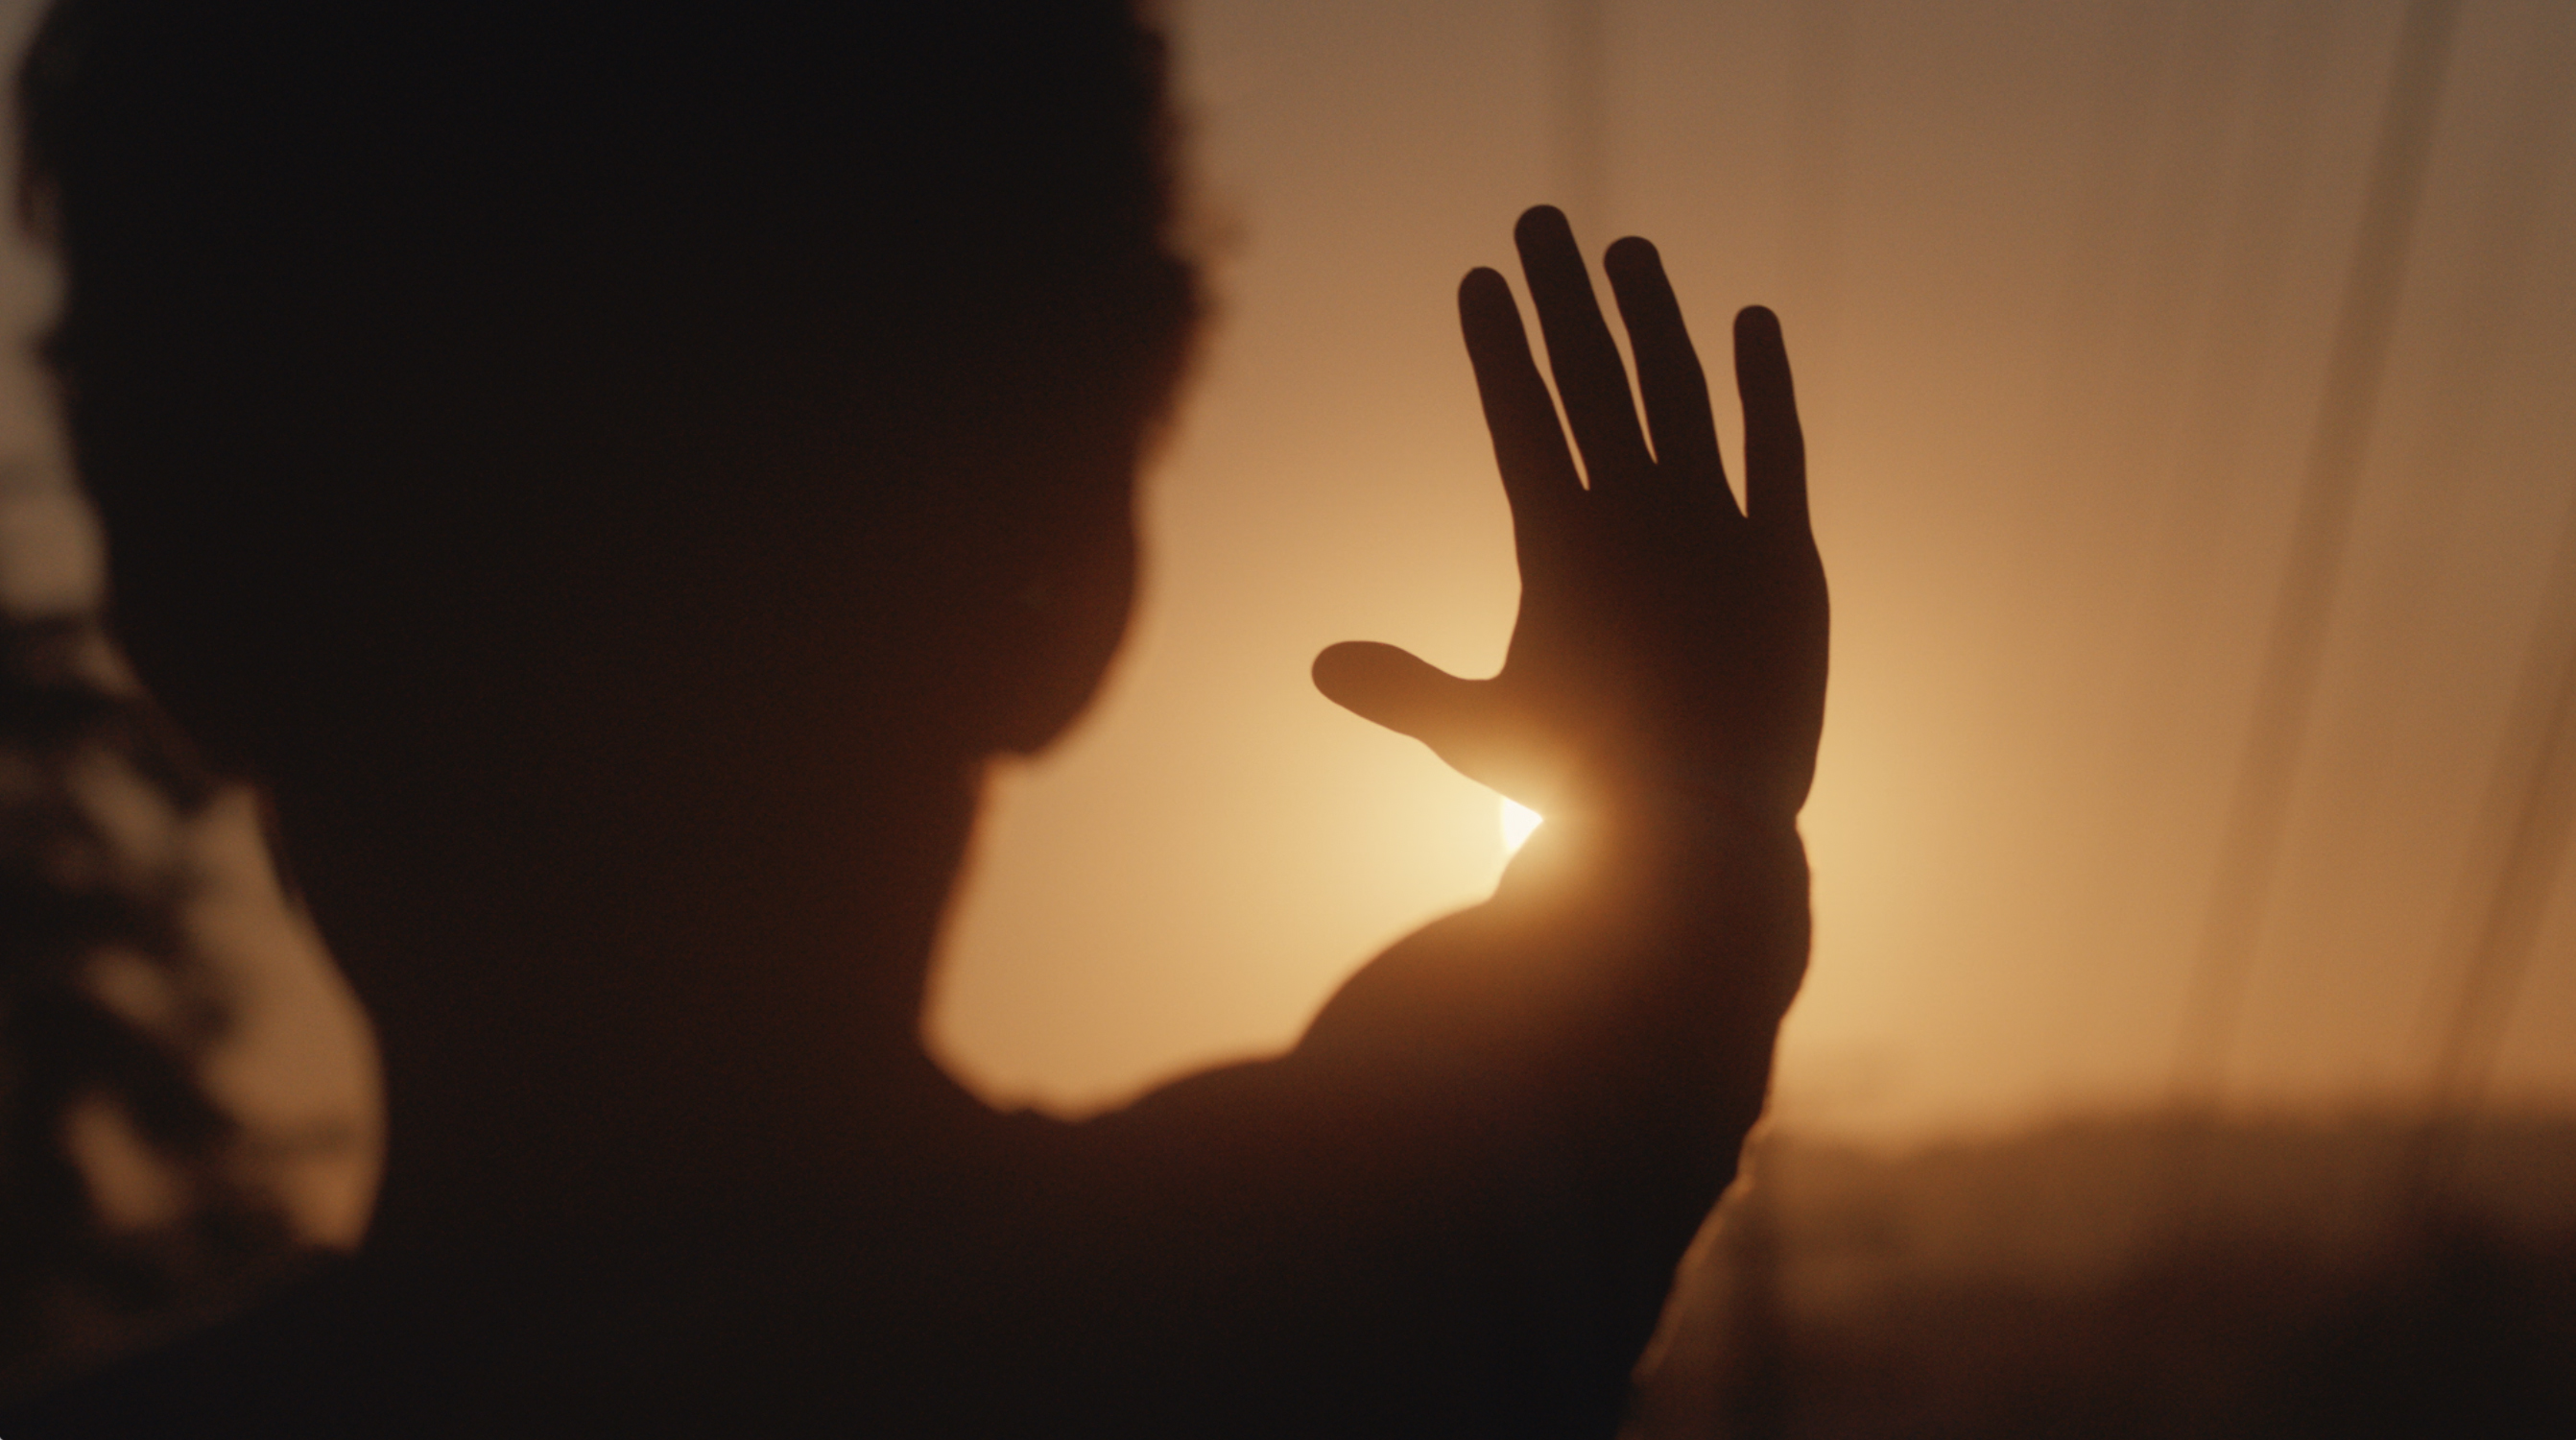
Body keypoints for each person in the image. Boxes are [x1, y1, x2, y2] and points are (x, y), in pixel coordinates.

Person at [0, 0, 1825, 1434]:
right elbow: (1627, 1012)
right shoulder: (1275, 1326)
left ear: (177, 617)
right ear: (1073, 584)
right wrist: (1685, 783)